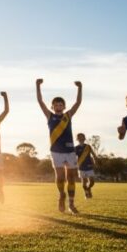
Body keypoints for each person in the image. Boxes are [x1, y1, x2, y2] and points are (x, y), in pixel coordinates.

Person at [36, 79, 83, 213]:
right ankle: (61, 195)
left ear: (64, 106)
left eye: (61, 105)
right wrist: (38, 86)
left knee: (71, 178)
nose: (58, 106)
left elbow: (78, 103)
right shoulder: (50, 116)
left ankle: (71, 204)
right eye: (56, 105)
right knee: (60, 177)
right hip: (56, 151)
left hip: (70, 151)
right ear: (52, 107)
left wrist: (80, 87)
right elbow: (40, 102)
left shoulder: (68, 115)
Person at [74, 133, 97, 198]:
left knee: (92, 182)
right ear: (77, 139)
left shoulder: (88, 146)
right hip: (81, 167)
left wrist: (95, 161)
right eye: (79, 137)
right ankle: (86, 193)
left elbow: (93, 154)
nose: (81, 138)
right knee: (84, 182)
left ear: (84, 138)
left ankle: (88, 189)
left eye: (82, 137)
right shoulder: (76, 148)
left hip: (89, 166)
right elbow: (73, 157)